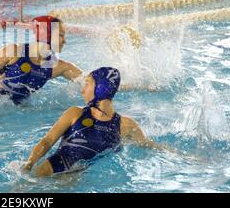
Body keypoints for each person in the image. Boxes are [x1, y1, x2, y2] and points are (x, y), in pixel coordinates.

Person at [22, 66, 166, 176]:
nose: (82, 91)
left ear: (100, 89)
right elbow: (48, 140)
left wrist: (180, 155)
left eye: (87, 84)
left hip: (76, 179)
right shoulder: (75, 114)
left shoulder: (126, 125)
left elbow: (148, 145)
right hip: (48, 172)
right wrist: (30, 162)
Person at [0, 15, 83, 105]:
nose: (64, 41)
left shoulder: (58, 67)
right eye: (61, 35)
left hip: (16, 111)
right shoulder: (13, 52)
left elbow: (88, 81)